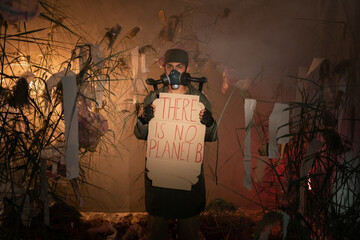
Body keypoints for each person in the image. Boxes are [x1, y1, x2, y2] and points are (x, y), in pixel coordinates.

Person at [134, 48, 217, 240]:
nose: (174, 71)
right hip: (160, 179)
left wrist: (209, 123)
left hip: (187, 178)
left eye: (179, 67)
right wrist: (144, 120)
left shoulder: (200, 100)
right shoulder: (154, 99)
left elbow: (211, 136)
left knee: (189, 230)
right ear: (163, 68)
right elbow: (140, 134)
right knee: (157, 230)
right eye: (170, 66)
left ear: (186, 69)